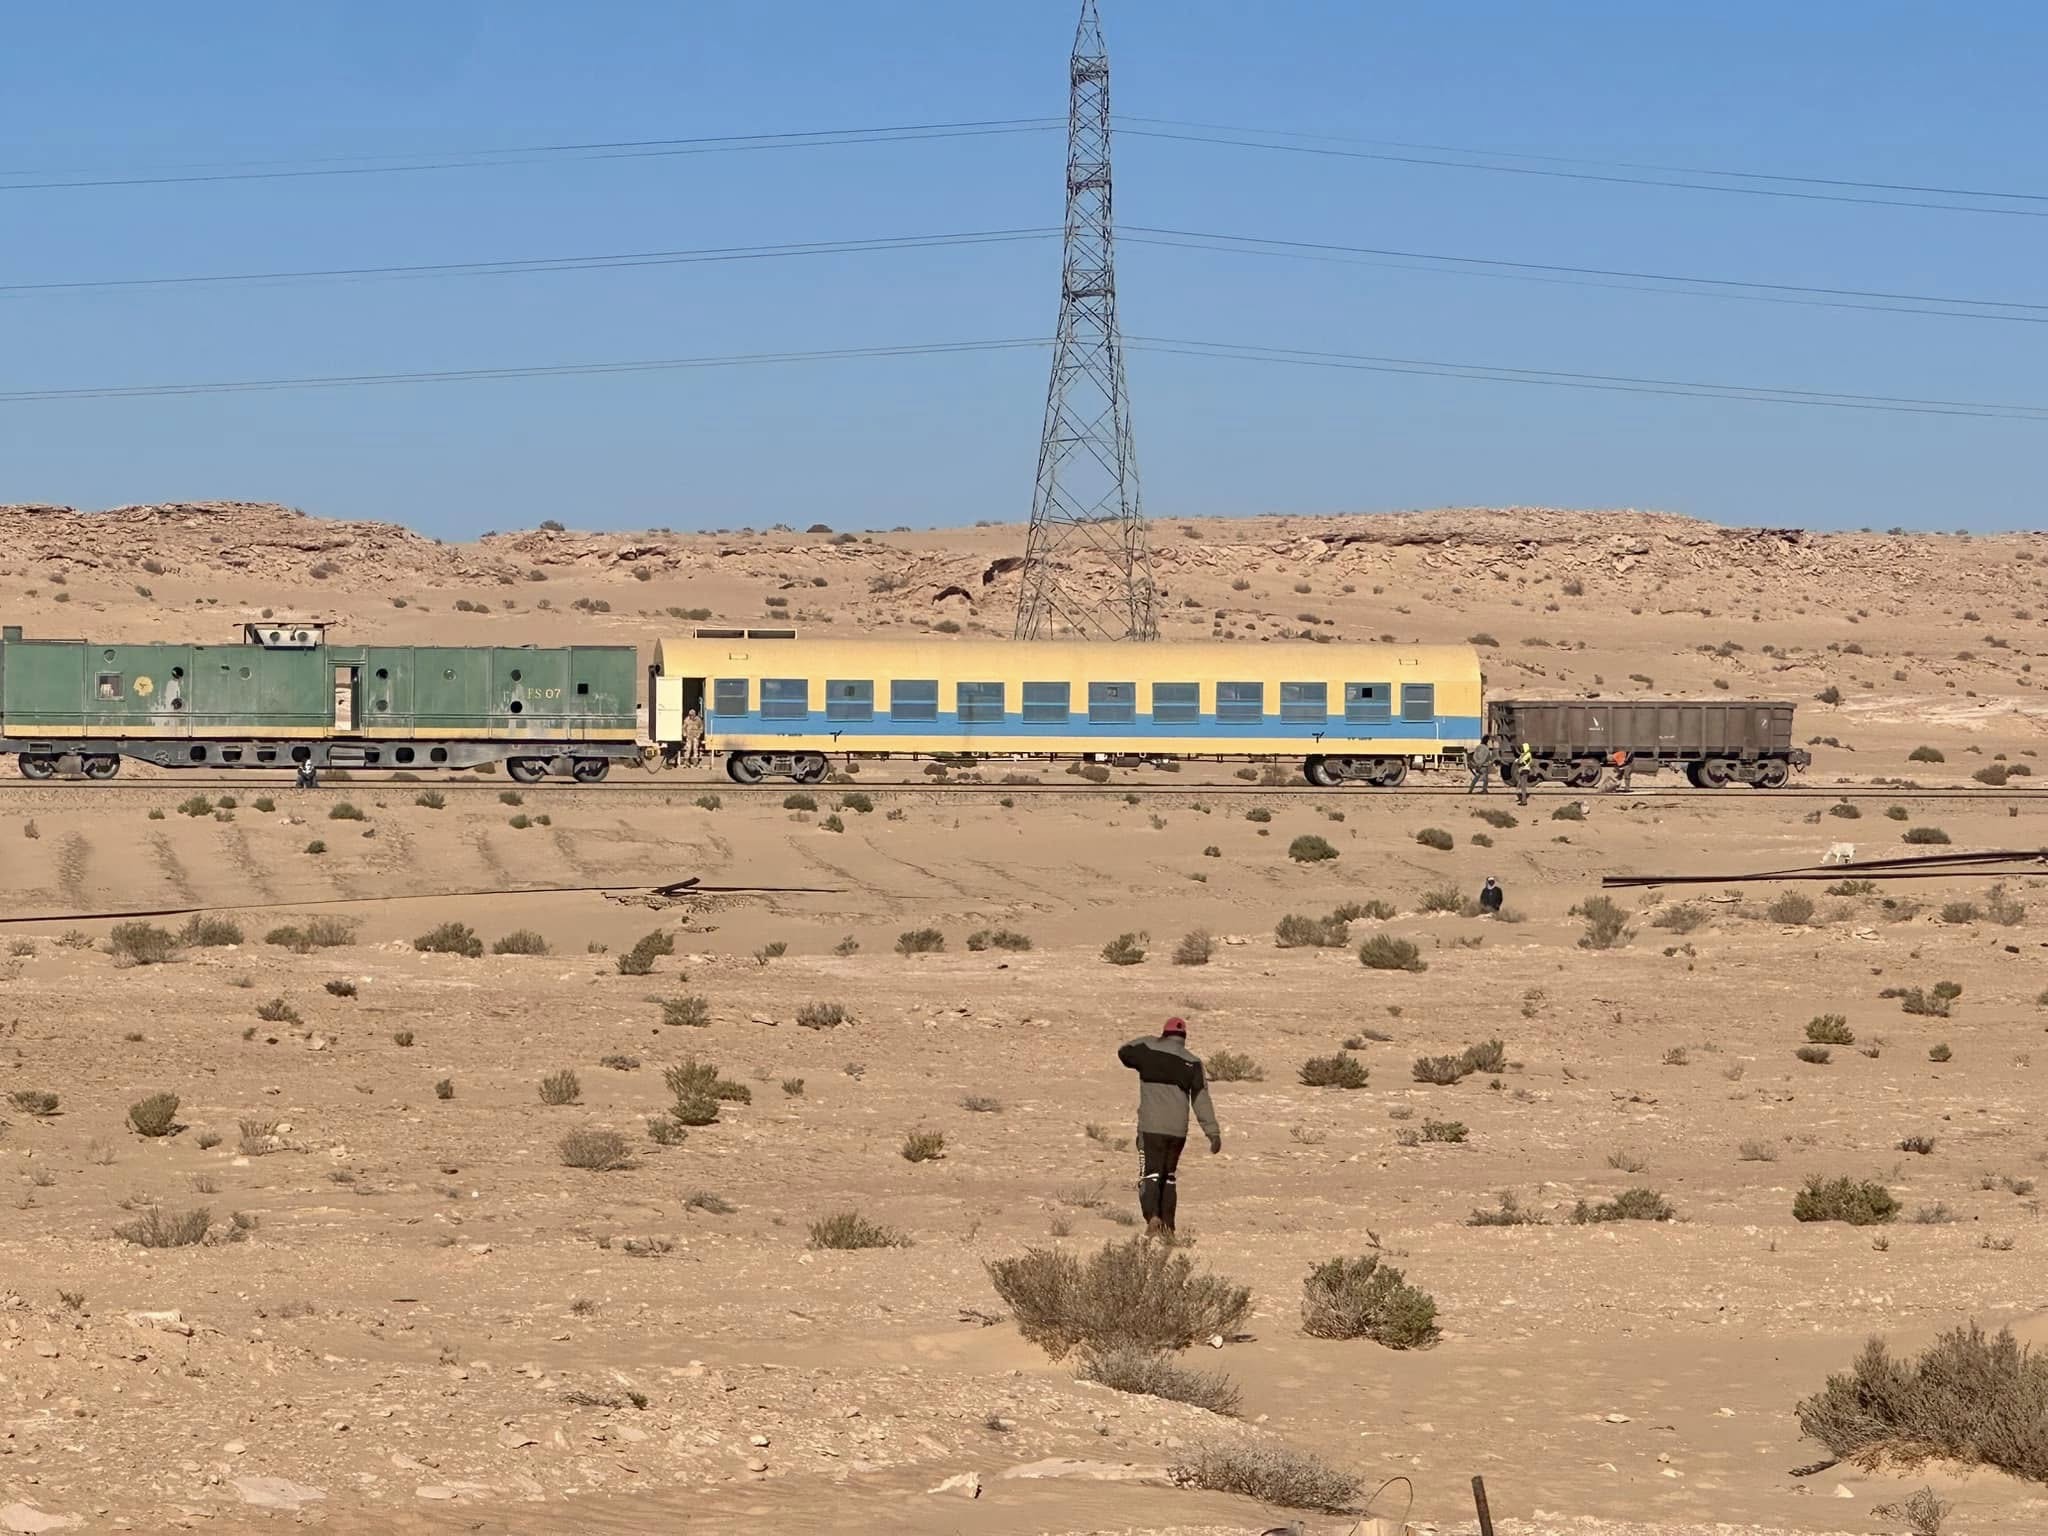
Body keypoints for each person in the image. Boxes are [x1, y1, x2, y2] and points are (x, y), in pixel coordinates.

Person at [1116, 1017, 1221, 1238]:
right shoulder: (1193, 1062)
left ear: (1164, 1033)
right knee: (1169, 1176)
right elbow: (1201, 1099)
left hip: (1151, 1127)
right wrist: (1212, 1132)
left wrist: (1152, 1039)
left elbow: (1124, 1052)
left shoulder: (1148, 1050)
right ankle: (1168, 1227)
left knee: (1150, 1174)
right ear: (1184, 1038)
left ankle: (1152, 1217)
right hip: (1178, 1131)